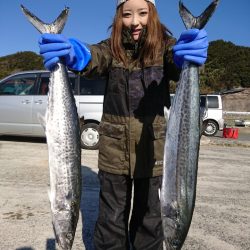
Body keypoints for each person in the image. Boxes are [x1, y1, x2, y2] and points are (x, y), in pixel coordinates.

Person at [38, 0, 208, 249]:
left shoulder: (165, 49)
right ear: (119, 17)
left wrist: (185, 58)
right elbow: (96, 58)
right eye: (127, 14)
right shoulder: (111, 49)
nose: (135, 21)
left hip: (154, 155)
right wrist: (77, 54)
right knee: (110, 220)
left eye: (143, 13)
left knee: (149, 221)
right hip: (113, 154)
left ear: (153, 14)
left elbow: (174, 61)